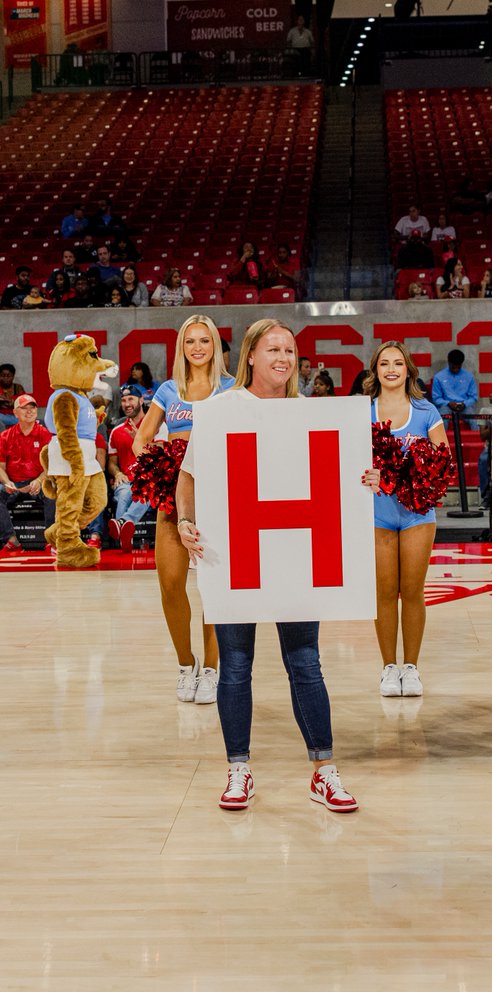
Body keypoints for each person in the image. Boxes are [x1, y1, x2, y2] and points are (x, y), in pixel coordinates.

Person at [176, 318, 357, 813]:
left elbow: (340, 480)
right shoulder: (219, 411)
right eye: (273, 348)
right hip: (234, 555)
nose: (284, 358)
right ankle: (238, 769)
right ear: (250, 356)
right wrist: (184, 521)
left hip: (296, 554)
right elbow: (187, 478)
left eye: (290, 350)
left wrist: (365, 474)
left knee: (306, 662)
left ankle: (324, 771)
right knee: (235, 666)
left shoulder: (310, 412)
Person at [134, 316, 235, 705]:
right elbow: (142, 439)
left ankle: (211, 669)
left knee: (212, 588)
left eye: (204, 340)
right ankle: (185, 663)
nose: (197, 347)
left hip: (219, 493)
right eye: (190, 341)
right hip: (174, 494)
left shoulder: (230, 388)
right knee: (171, 582)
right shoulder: (169, 390)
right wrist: (160, 466)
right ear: (182, 347)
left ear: (215, 345)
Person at [361, 341, 448, 699]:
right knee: (384, 593)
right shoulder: (362, 412)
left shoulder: (427, 412)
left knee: (412, 592)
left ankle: (410, 667)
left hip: (417, 514)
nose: (391, 369)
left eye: (398, 363)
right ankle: (387, 668)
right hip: (377, 512)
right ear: (375, 370)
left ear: (409, 370)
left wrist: (401, 478)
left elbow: (443, 465)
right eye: (384, 363)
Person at [0, 394, 55, 553]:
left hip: (38, 482)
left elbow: (51, 466)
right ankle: (11, 539)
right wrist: (7, 482)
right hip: (14, 484)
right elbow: (1, 466)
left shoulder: (45, 435)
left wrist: (39, 480)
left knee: (53, 492)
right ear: (15, 413)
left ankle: (51, 540)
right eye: (25, 408)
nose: (30, 411)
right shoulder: (5, 436)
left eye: (33, 407)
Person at [106, 384, 153, 551]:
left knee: (146, 491)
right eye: (124, 400)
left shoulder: (155, 426)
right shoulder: (117, 431)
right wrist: (117, 473)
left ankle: (122, 524)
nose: (126, 403)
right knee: (124, 493)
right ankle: (125, 534)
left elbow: (162, 458)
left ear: (141, 400)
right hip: (126, 479)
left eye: (131, 399)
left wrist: (140, 441)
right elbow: (111, 462)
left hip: (149, 479)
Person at [431, 349, 478, 416]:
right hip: (446, 406)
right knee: (442, 417)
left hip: (464, 406)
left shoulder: (469, 377)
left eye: (458, 367)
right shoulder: (438, 377)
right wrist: (448, 403)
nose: (456, 370)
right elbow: (436, 398)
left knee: (473, 419)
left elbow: (473, 397)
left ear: (461, 364)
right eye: (453, 367)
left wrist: (465, 404)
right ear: (449, 363)